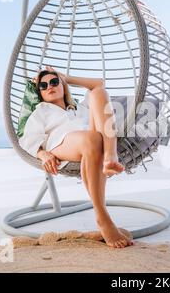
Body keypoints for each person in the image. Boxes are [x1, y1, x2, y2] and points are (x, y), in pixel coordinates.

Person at [19, 66, 132, 248]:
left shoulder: (78, 108)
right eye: (43, 85)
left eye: (54, 82)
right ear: (39, 92)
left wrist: (67, 78)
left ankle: (110, 156)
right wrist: (43, 154)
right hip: (61, 144)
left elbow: (98, 84)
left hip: (94, 140)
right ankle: (102, 216)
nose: (50, 86)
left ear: (62, 85)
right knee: (90, 138)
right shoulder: (41, 111)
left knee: (99, 93)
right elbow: (27, 138)